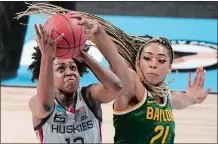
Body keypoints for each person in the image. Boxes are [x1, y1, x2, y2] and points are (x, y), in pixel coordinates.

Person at [28, 13, 130, 143]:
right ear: (50, 75)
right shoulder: (36, 101)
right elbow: (45, 106)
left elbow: (116, 87)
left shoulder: (89, 96)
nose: (69, 72)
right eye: (60, 69)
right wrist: (47, 57)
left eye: (73, 67)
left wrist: (82, 55)